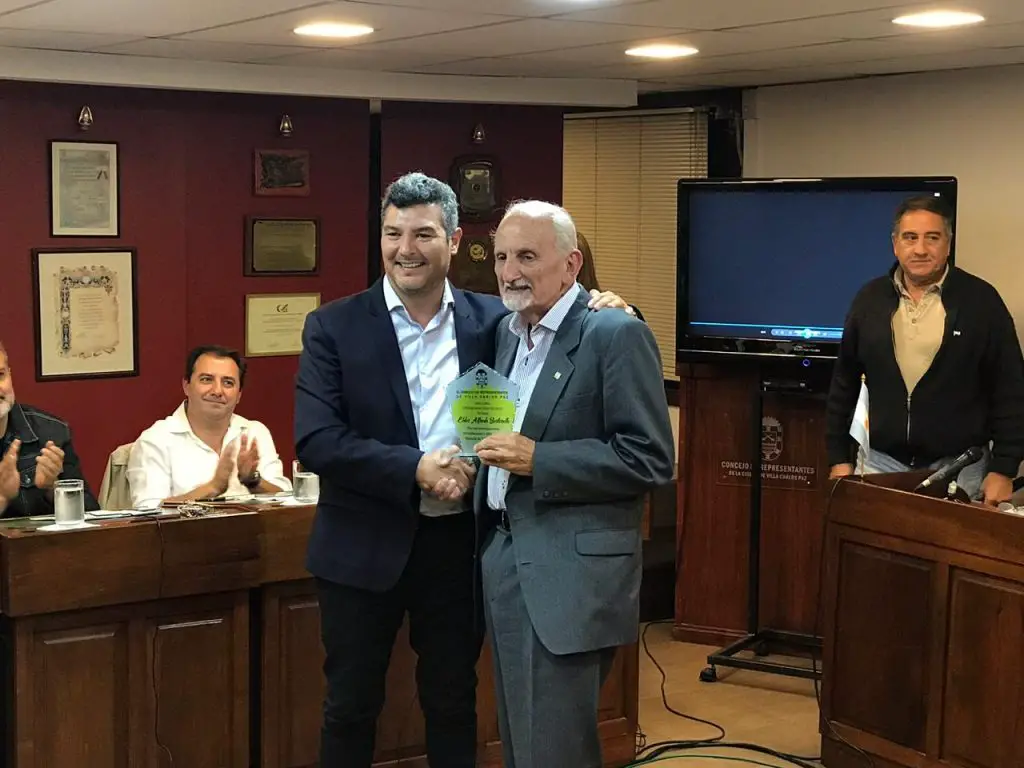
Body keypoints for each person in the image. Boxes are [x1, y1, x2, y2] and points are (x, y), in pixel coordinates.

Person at [295, 172, 633, 768]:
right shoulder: (334, 326)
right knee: (350, 707)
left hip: (459, 548)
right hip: (361, 547)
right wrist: (415, 468)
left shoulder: (497, 322)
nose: (405, 249)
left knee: (454, 702)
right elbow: (317, 440)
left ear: (453, 241)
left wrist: (610, 304)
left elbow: (573, 336)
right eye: (393, 233)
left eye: (423, 234)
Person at [473, 200, 675, 768]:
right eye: (502, 257)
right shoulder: (508, 332)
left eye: (527, 257)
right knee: (522, 743)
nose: (510, 272)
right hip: (505, 556)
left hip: (569, 574)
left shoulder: (614, 331)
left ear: (571, 264)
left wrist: (541, 460)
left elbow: (650, 458)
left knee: (554, 750)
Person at [825, 195, 1024, 504]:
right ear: (895, 244)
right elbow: (844, 385)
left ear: (948, 244)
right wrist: (839, 459)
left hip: (961, 467)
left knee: (953, 539)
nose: (920, 249)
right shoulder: (869, 300)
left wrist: (1004, 469)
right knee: (877, 537)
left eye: (932, 238)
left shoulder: (982, 302)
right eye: (910, 237)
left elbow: (1010, 390)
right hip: (879, 464)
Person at [126, 345, 290, 509]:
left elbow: (286, 500)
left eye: (228, 382)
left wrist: (253, 481)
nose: (217, 391)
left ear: (239, 395)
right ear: (186, 386)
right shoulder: (156, 440)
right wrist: (213, 487)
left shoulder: (254, 432)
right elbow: (149, 512)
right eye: (206, 379)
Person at [0, 340, 99, 518]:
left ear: (10, 374)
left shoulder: (50, 432)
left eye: (0, 375)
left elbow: (92, 516)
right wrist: (2, 498)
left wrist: (53, 488)